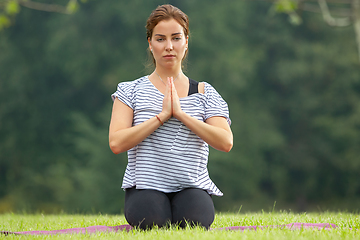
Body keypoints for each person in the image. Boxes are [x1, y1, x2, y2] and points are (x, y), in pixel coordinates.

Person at [109, 4, 233, 230]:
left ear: (186, 41)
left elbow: (225, 142)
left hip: (191, 187)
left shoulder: (205, 92)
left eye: (176, 38)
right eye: (160, 39)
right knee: (152, 221)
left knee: (193, 223)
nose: (169, 47)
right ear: (150, 43)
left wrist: (181, 114)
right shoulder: (130, 91)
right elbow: (116, 143)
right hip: (146, 187)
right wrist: (162, 116)